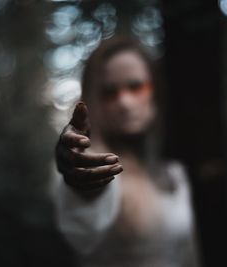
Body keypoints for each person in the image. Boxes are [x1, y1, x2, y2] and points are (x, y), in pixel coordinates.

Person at [51, 37, 200, 267]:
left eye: (136, 86)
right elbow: (85, 206)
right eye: (109, 92)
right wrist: (78, 176)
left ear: (155, 93)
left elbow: (189, 255)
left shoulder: (175, 173)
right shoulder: (98, 165)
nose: (125, 102)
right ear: (93, 100)